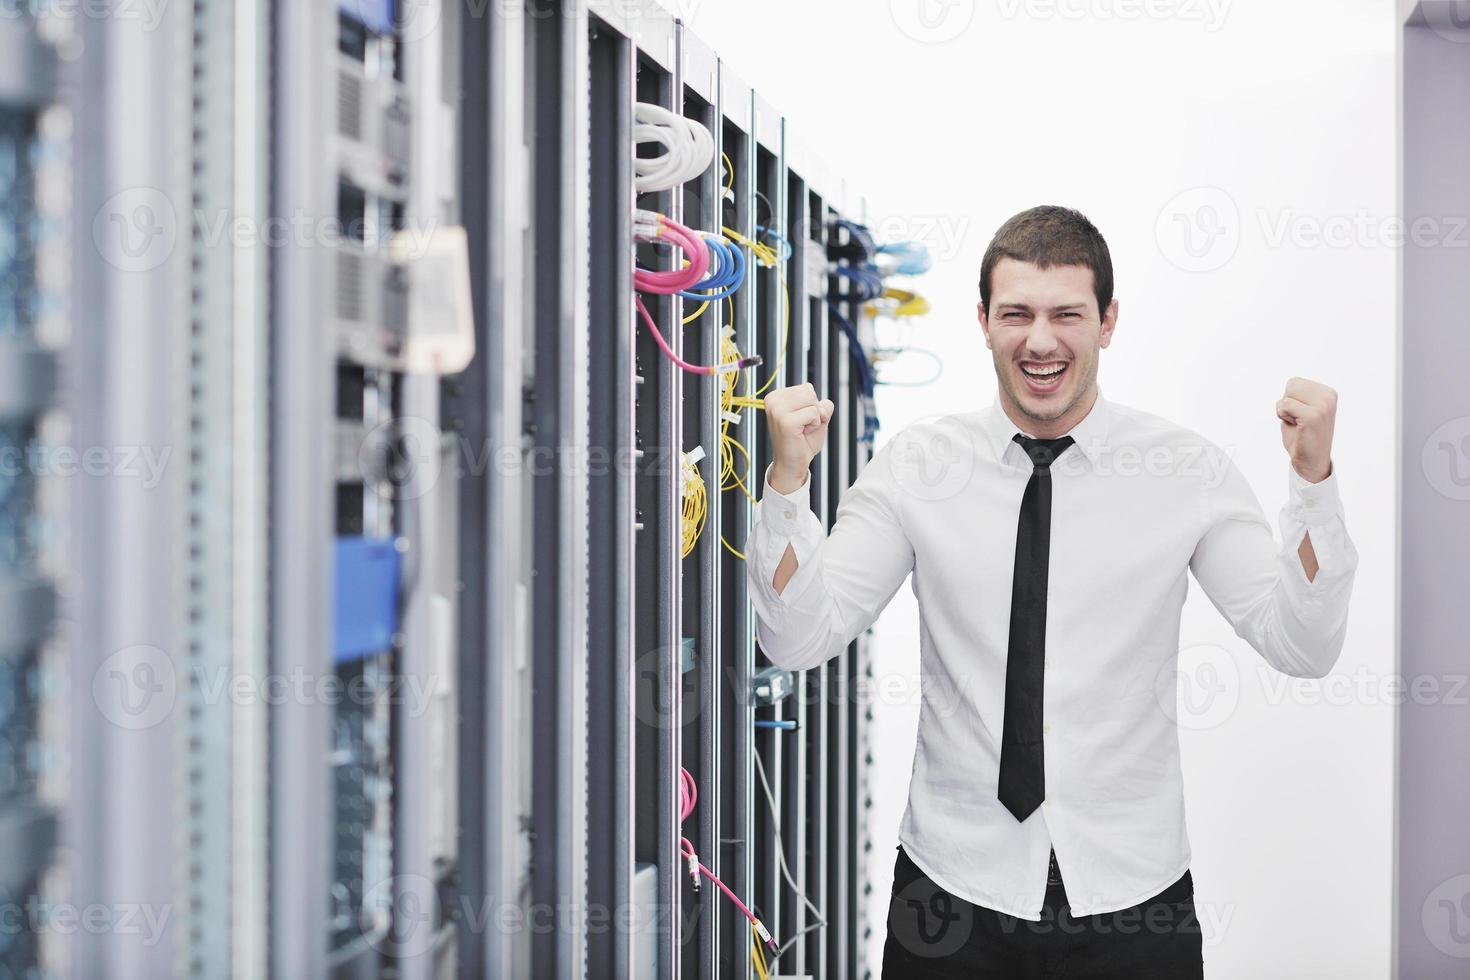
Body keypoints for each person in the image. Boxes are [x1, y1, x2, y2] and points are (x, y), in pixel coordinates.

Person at [745, 205, 1358, 978]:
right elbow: (798, 639)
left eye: (1066, 313)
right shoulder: (919, 466)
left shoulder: (1184, 471)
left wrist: (1311, 486)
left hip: (1136, 902)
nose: (1040, 340)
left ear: (1107, 321)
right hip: (951, 894)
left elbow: (1302, 646)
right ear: (983, 321)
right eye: (1016, 314)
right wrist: (788, 486)